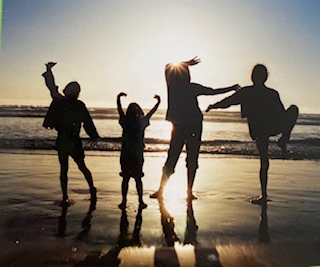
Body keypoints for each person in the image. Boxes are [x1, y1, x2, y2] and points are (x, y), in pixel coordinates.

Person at [206, 64, 299, 204]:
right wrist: (215, 105)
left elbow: (229, 102)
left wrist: (214, 105)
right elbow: (229, 102)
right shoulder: (254, 92)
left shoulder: (262, 93)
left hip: (263, 127)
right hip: (263, 128)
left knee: (264, 161)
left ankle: (264, 194)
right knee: (264, 161)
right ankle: (283, 140)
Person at [150, 57, 240, 201]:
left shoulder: (174, 87)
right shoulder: (183, 86)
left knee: (179, 158)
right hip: (189, 125)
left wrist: (185, 63)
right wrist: (231, 88)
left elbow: (212, 91)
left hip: (187, 125)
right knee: (184, 158)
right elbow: (213, 91)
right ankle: (175, 191)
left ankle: (172, 191)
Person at [42, 62, 100, 206]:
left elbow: (52, 87)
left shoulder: (64, 102)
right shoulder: (74, 104)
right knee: (75, 167)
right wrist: (93, 135)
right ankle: (71, 194)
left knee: (69, 168)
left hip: (67, 139)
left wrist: (48, 71)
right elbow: (88, 122)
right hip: (69, 139)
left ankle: (73, 194)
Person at [117, 92, 161, 210]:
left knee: (125, 179)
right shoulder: (141, 122)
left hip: (126, 153)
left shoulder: (125, 121)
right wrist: (158, 103)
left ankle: (124, 201)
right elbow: (151, 113)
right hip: (137, 154)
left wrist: (118, 99)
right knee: (138, 179)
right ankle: (140, 201)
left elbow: (120, 111)